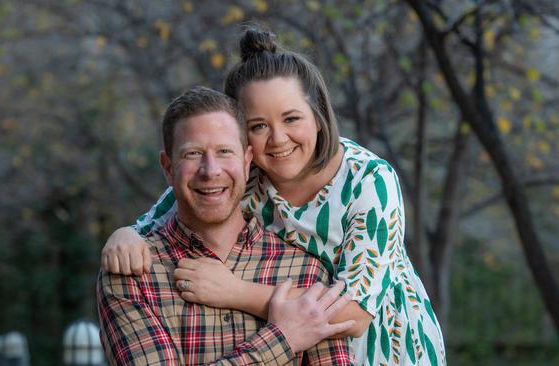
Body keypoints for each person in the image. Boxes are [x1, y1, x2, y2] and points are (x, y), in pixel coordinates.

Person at [102, 28, 446, 365]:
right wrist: (123, 237)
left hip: (386, 345)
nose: (278, 139)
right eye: (258, 126)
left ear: (318, 116)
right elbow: (154, 222)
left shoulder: (368, 180)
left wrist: (234, 291)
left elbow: (354, 315)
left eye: (291, 118)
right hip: (304, 345)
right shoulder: (241, 177)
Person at [97, 86, 355, 365]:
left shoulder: (305, 272)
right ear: (168, 167)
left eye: (224, 151)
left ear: (247, 162)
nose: (211, 171)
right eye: (193, 154)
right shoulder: (133, 275)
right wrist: (283, 339)